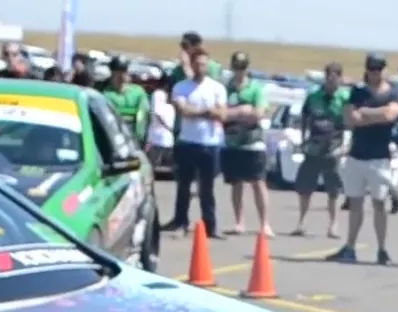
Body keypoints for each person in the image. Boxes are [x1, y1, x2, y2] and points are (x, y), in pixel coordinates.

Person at [329, 54, 398, 264]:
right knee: (355, 203)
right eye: (372, 69)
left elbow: (391, 116)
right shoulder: (358, 92)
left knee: (379, 204)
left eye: (379, 69)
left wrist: (365, 112)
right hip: (357, 155)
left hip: (379, 157)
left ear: (384, 70)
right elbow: (351, 120)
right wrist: (377, 115)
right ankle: (350, 246)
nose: (375, 73)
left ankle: (382, 249)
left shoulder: (395, 92)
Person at [164, 47, 225, 238]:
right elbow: (184, 111)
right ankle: (181, 222)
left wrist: (201, 112)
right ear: (191, 64)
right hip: (187, 142)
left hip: (209, 143)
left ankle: (210, 225)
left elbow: (222, 114)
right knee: (183, 186)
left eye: (204, 64)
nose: (201, 67)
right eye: (197, 64)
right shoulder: (181, 87)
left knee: (207, 188)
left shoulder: (217, 88)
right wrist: (207, 112)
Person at [292, 63, 351, 238]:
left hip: (333, 148)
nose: (332, 81)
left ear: (340, 78)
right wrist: (303, 140)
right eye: (329, 77)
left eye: (336, 77)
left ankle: (333, 225)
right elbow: (304, 117)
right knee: (305, 187)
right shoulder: (313, 96)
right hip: (313, 147)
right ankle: (301, 223)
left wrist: (345, 147)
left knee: (333, 189)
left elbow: (350, 124)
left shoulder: (345, 98)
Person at [221, 52, 273, 236]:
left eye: (242, 67)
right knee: (236, 184)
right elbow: (221, 113)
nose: (239, 71)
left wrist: (239, 113)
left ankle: (264, 224)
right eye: (236, 67)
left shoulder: (255, 88)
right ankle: (239, 222)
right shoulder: (226, 88)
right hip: (232, 143)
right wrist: (243, 111)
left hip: (253, 143)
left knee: (258, 182)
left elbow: (259, 113)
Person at [101, 58, 149, 140]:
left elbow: (142, 115)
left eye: (124, 72)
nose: (121, 76)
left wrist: (139, 136)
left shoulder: (138, 93)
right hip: (115, 139)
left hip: (134, 139)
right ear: (112, 74)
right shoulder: (106, 95)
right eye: (117, 73)